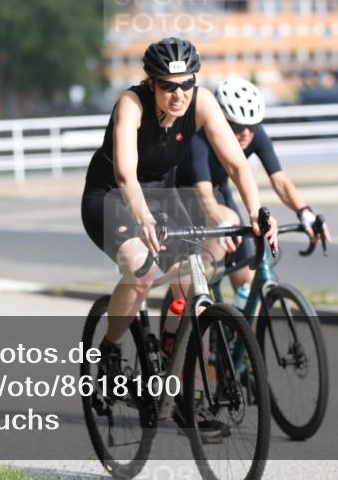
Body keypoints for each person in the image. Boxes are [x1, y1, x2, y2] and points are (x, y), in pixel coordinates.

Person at [81, 37, 278, 385]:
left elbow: (237, 165)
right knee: (140, 274)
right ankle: (111, 349)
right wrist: (142, 218)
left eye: (187, 84)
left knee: (191, 284)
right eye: (169, 87)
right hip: (111, 195)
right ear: (151, 83)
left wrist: (255, 212)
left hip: (162, 194)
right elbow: (125, 173)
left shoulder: (201, 103)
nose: (180, 95)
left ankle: (176, 368)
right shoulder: (131, 104)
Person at [176, 77, 332, 295]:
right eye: (238, 126)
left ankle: (239, 327)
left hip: (220, 192)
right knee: (197, 287)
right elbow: (203, 191)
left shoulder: (253, 135)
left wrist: (305, 213)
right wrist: (220, 221)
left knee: (246, 283)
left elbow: (279, 180)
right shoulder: (199, 138)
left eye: (253, 125)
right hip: (187, 196)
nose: (246, 133)